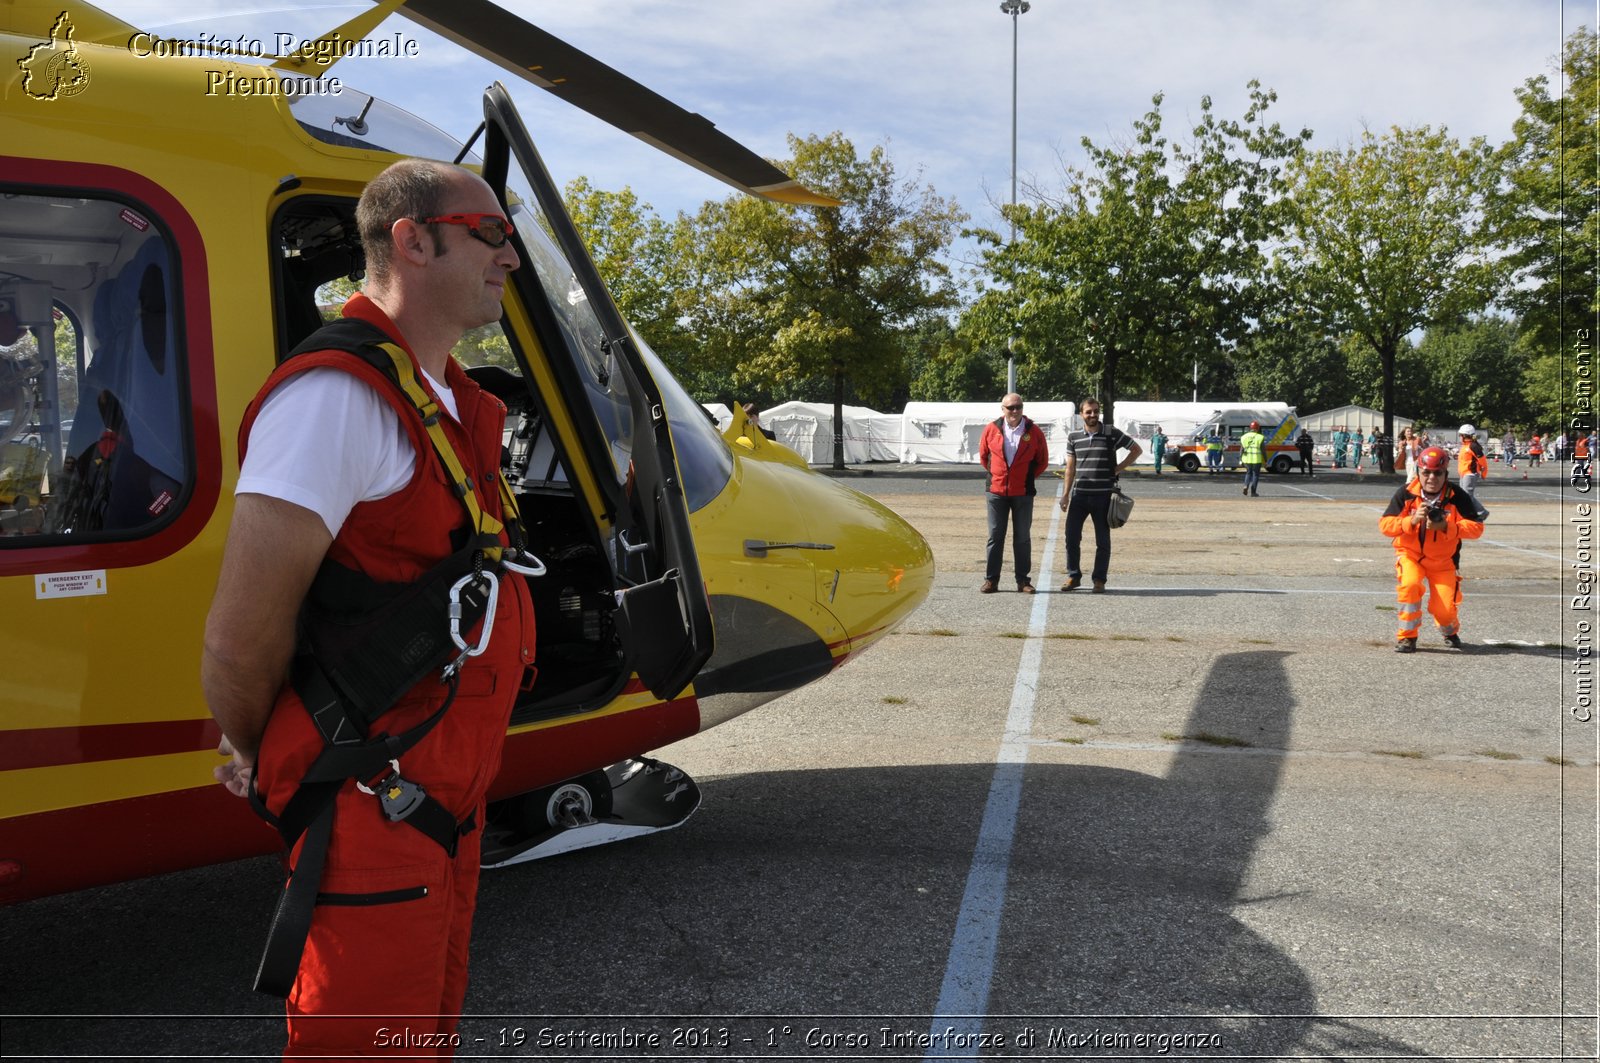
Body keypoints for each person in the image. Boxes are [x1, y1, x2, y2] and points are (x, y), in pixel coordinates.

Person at [203, 159, 534, 1056]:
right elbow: (238, 641)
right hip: (373, 807)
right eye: (493, 233)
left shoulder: (444, 397)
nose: (512, 256)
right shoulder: (336, 397)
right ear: (413, 239)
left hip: (439, 810)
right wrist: (256, 741)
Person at [1379, 445, 1487, 652]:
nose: (1431, 478)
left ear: (1445, 473)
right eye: (1426, 472)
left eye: (1437, 473)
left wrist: (1447, 526)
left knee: (1445, 611)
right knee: (1410, 586)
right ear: (1418, 471)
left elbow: (1476, 528)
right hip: (1410, 556)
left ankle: (1449, 630)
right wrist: (1410, 521)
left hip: (1443, 562)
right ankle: (1407, 637)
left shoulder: (1457, 496)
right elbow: (1385, 525)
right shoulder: (1406, 493)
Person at [1058, 398, 1140, 593]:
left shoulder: (1111, 433)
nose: (1093, 415)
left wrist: (1118, 468)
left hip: (1103, 496)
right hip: (1079, 496)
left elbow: (1136, 449)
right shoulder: (1074, 437)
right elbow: (1070, 468)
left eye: (1096, 411)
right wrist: (1065, 494)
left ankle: (1099, 580)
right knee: (1071, 537)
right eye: (1088, 412)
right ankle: (1073, 576)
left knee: (1102, 540)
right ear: (1081, 415)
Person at [978, 393, 1049, 593]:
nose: (1015, 411)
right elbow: (984, 457)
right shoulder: (991, 429)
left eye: (1018, 406)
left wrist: (1025, 477)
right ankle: (991, 580)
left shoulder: (1034, 431)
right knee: (995, 536)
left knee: (1022, 538)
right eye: (1010, 407)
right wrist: (999, 475)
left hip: (1023, 493)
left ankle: (1023, 581)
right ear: (1003, 409)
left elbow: (1042, 460)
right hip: (996, 492)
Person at [1456, 423, 1487, 499]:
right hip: (1463, 474)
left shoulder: (1473, 446)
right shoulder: (1465, 446)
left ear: (1465, 436)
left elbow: (1483, 461)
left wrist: (1484, 473)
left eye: (1460, 435)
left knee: (1467, 497)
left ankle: (1481, 511)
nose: (1459, 437)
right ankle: (1466, 511)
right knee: (1463, 496)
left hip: (1470, 474)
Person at [1239, 419, 1266, 496]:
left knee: (1248, 473)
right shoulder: (1260, 437)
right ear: (1257, 428)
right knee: (1255, 475)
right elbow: (1263, 450)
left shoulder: (1244, 437)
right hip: (1256, 459)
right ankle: (1253, 492)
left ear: (1250, 428)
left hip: (1246, 459)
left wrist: (1240, 459)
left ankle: (1246, 485)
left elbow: (1241, 449)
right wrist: (1266, 460)